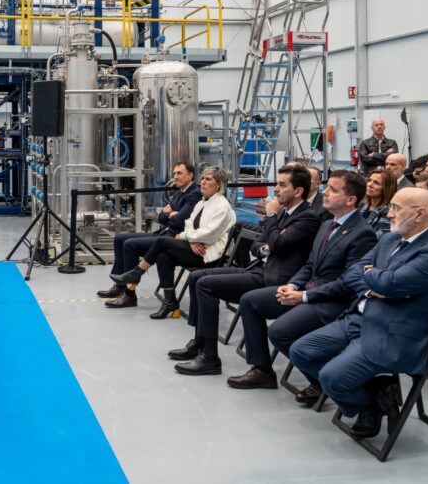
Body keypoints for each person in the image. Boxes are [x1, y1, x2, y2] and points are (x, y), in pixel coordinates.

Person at [289, 188, 428, 439]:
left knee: (332, 378)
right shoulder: (390, 239)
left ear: (420, 214)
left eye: (396, 208)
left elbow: (390, 284)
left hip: (391, 332)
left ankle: (368, 400)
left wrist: (375, 276)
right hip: (359, 318)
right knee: (301, 352)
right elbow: (353, 272)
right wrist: (373, 287)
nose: (389, 214)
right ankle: (374, 397)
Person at [207, 171, 376, 400]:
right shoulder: (328, 225)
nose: (325, 192)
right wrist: (294, 285)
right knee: (250, 301)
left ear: (351, 199)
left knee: (279, 332)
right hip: (308, 290)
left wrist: (304, 295)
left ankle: (321, 380)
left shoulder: (362, 233)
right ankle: (262, 370)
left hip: (331, 301)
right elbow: (310, 264)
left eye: (333, 190)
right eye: (327, 187)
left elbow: (348, 283)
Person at [163, 165, 321, 377]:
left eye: (282, 185)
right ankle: (201, 342)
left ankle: (210, 358)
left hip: (277, 279)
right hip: (261, 269)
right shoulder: (284, 213)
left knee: (207, 285)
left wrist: (271, 219)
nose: (276, 189)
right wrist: (267, 246)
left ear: (298, 191)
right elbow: (258, 244)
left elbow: (277, 243)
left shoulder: (307, 217)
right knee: (197, 277)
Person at [109, 166, 236, 319]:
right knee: (163, 256)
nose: (203, 182)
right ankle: (170, 302)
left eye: (208, 179)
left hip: (208, 255)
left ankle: (137, 273)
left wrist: (184, 237)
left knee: (162, 242)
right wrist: (190, 239)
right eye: (202, 178)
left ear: (219, 185)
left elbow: (209, 234)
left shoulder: (222, 206)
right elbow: (188, 223)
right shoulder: (203, 203)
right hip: (195, 247)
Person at [102, 161, 201, 308]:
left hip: (173, 239)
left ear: (190, 175)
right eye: (174, 173)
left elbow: (180, 221)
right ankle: (119, 286)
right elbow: (160, 217)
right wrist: (170, 214)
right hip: (164, 233)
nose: (175, 176)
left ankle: (129, 295)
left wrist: (170, 214)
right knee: (119, 239)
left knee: (130, 245)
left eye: (179, 173)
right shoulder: (178, 192)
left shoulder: (194, 193)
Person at [360, 168, 397, 235]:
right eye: (369, 180)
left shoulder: (389, 212)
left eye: (376, 183)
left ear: (387, 188)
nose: (370, 185)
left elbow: (377, 237)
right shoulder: (361, 206)